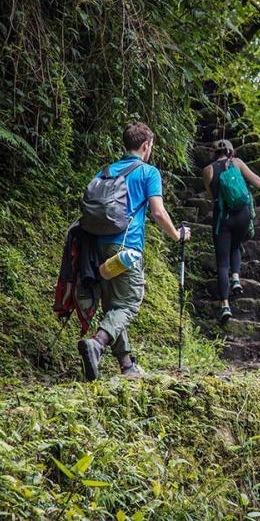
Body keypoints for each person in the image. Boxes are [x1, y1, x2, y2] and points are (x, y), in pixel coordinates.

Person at [78, 122, 191, 381]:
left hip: (98, 246)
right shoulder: (148, 172)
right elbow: (158, 212)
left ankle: (127, 365)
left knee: (113, 306)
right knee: (128, 303)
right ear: (146, 145)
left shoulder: (106, 171)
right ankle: (97, 343)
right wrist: (177, 235)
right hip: (126, 247)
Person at [202, 139, 260, 322]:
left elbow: (211, 197)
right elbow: (259, 183)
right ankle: (236, 278)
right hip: (243, 215)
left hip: (223, 218)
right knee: (235, 246)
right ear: (230, 151)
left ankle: (225, 306)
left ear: (213, 153)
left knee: (222, 263)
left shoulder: (207, 170)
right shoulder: (237, 163)